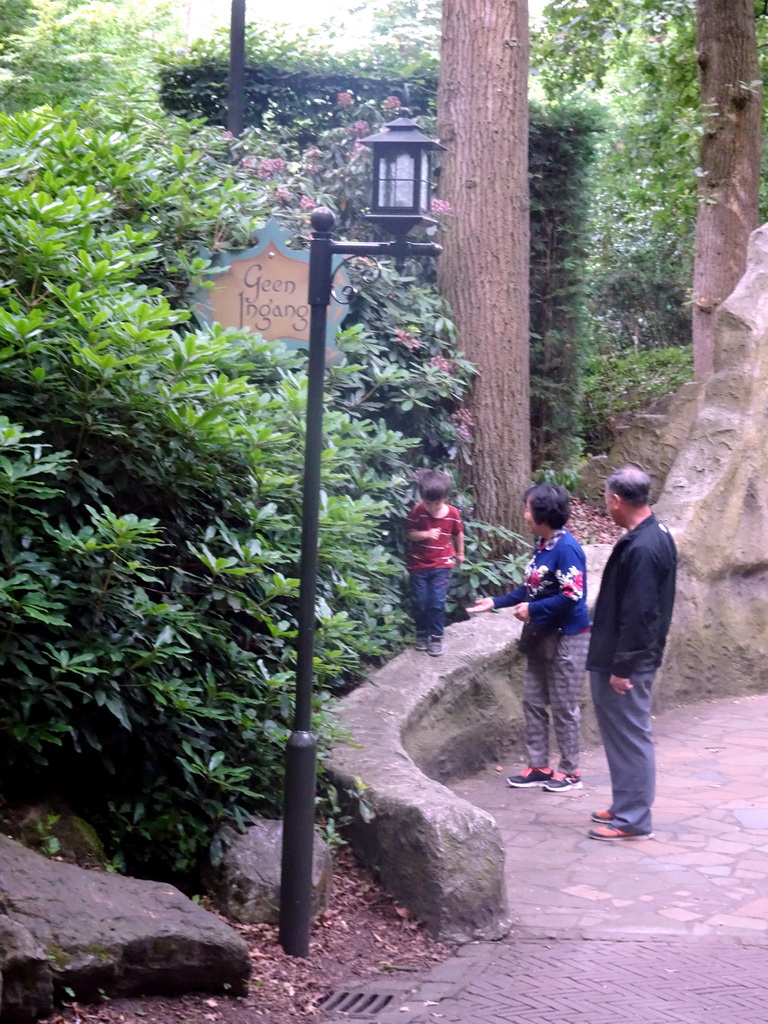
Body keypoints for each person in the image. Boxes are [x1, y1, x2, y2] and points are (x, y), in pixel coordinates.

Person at [467, 484, 590, 792]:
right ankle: (539, 766)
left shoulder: (567, 548)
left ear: (543, 515)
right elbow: (531, 588)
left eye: (527, 509)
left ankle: (570, 771)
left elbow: (573, 596)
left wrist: (533, 609)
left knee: (563, 706)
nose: (524, 514)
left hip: (568, 638)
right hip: (541, 635)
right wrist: (495, 602)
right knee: (533, 700)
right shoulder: (543, 544)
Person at [587, 465, 677, 842]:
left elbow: (641, 613)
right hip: (625, 654)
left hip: (627, 661)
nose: (606, 508)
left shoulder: (642, 547)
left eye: (607, 501)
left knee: (630, 734)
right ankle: (626, 802)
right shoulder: (655, 533)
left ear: (618, 501)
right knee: (622, 734)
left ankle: (633, 816)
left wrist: (623, 667)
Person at [405, 469, 465, 657]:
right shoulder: (417, 511)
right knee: (420, 602)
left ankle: (436, 637)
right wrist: (425, 534)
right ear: (422, 497)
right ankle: (422, 634)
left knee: (437, 602)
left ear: (445, 498)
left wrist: (460, 553)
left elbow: (458, 533)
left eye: (436, 503)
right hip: (419, 566)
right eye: (428, 502)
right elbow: (409, 534)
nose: (431, 507)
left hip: (442, 565)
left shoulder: (453, 513)